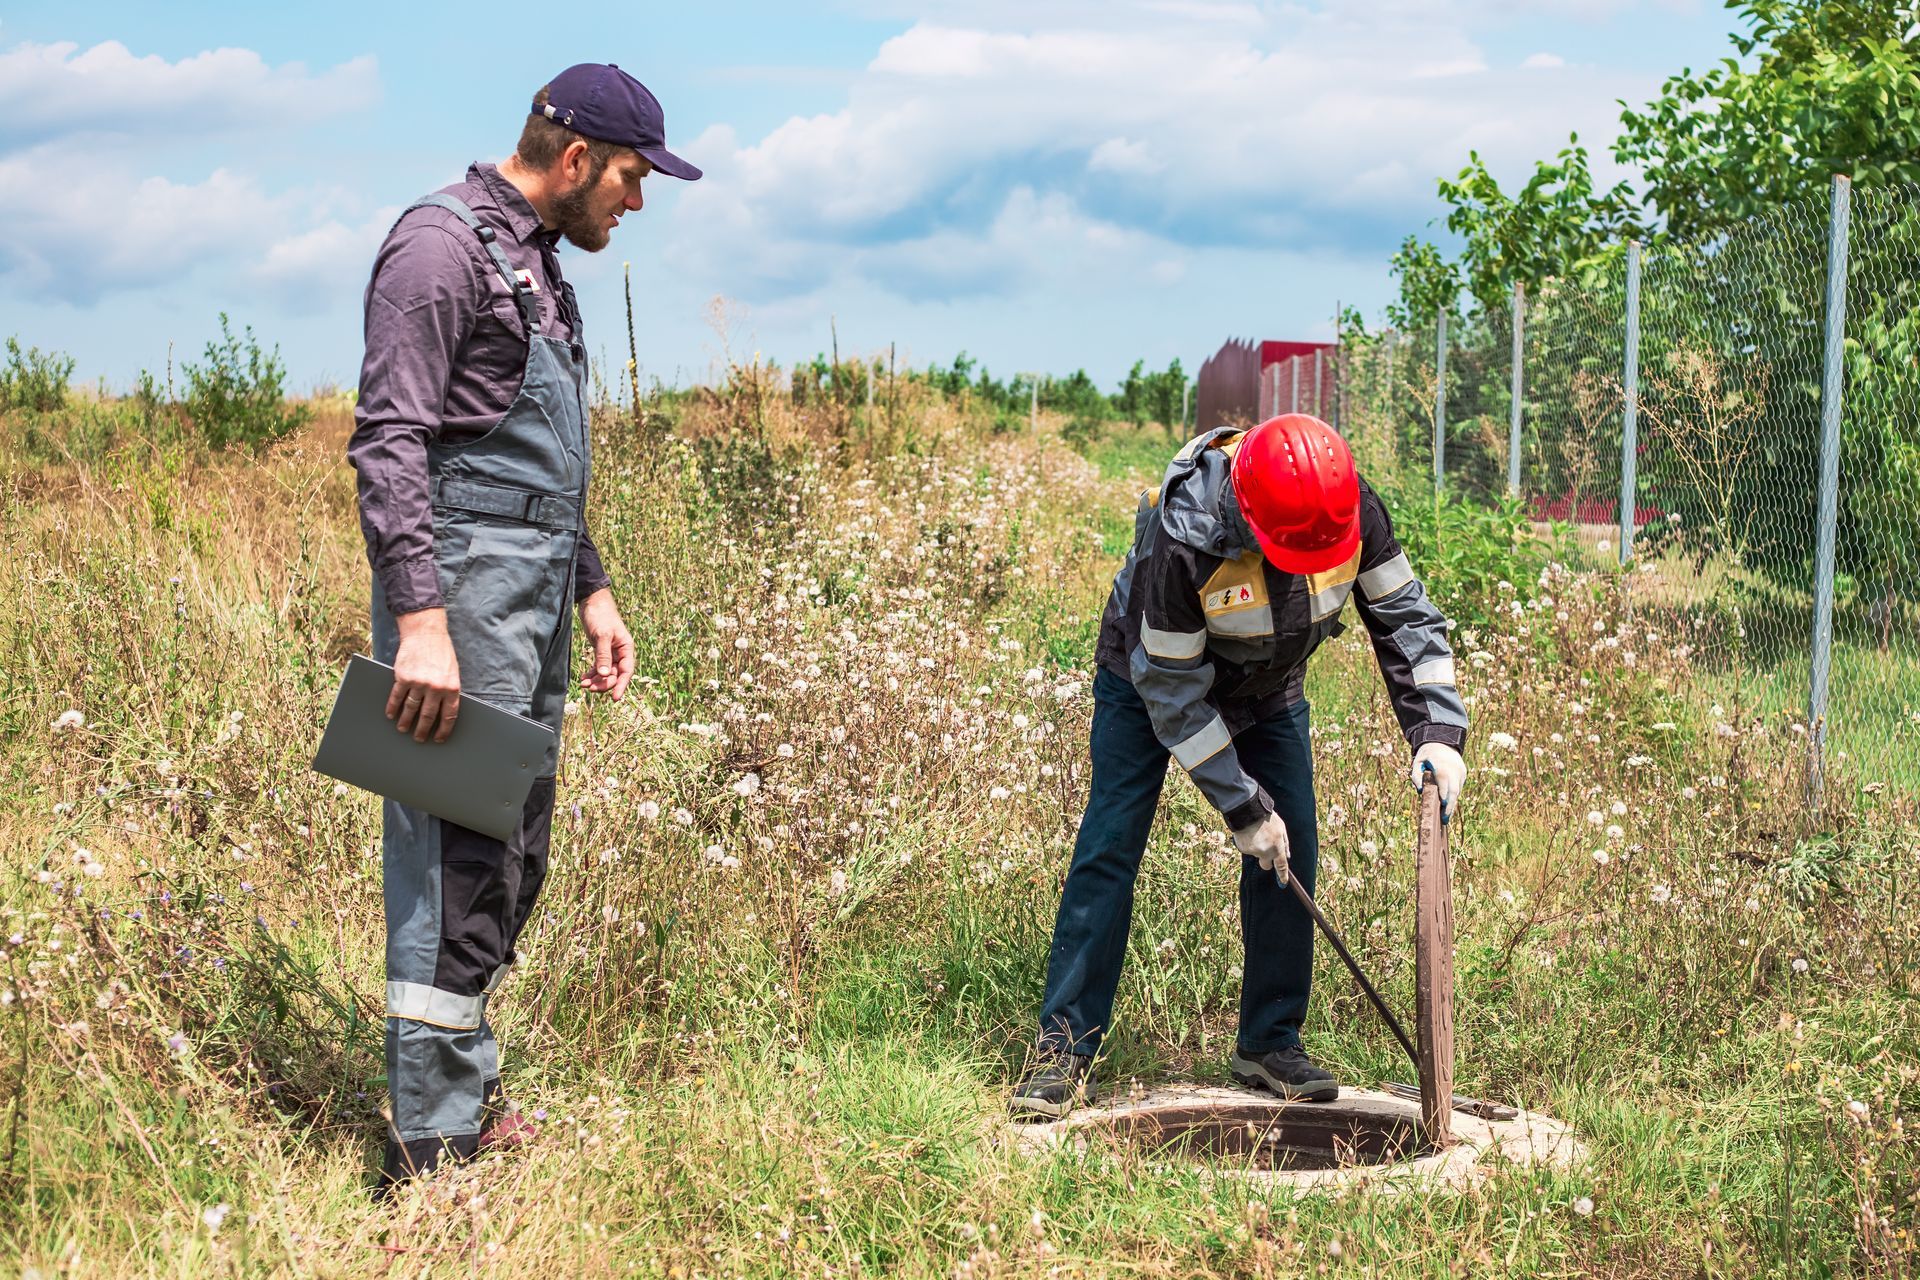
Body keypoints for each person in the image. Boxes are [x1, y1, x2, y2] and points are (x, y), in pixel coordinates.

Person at [347, 63, 700, 1192]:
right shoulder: (438, 246)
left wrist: (591, 583)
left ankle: (461, 1097)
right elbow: (389, 440)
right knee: (454, 857)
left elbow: (536, 462)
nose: (636, 206)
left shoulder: (537, 264)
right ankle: (428, 1155)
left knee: (508, 852)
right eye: (635, 180)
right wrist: (420, 622)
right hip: (459, 600)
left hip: (532, 592)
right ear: (580, 155)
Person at [1010, 414, 1468, 1119]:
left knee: (1295, 849)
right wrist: (1242, 808)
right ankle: (1061, 1051)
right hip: (1149, 682)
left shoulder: (1340, 503)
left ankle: (1268, 1044)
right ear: (1248, 515)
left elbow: (1405, 618)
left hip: (1270, 687)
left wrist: (1437, 732)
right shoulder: (1184, 534)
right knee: (1110, 845)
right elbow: (1175, 693)